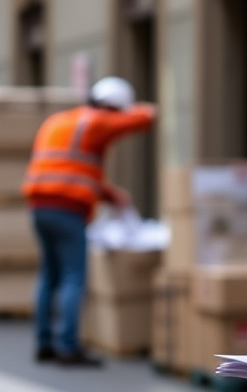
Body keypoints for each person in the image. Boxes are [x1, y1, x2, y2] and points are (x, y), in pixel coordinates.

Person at [22, 77, 156, 367]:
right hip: (67, 209)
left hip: (39, 207)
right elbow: (141, 120)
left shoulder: (59, 122)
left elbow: (75, 168)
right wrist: (148, 110)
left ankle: (44, 343)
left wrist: (110, 195)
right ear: (113, 106)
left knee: (49, 275)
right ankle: (68, 347)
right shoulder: (96, 121)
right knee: (73, 276)